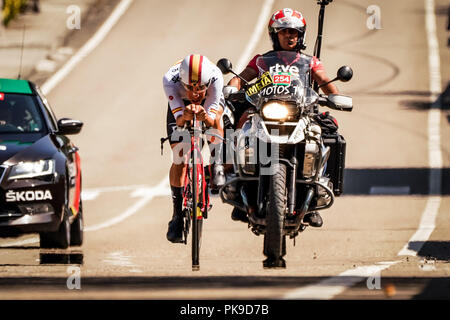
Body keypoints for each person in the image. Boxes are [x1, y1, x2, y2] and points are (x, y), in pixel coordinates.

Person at [227, 8, 339, 228]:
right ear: (274, 35)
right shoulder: (262, 60)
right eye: (284, 31)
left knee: (323, 132)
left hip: (301, 112)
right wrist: (231, 88)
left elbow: (326, 82)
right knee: (242, 121)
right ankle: (236, 177)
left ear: (302, 35)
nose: (290, 36)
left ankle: (316, 192)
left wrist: (334, 97)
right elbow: (241, 79)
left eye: (295, 32)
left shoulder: (310, 62)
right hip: (265, 111)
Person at [163, 54, 226, 243]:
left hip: (209, 104)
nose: (195, 93)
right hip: (182, 106)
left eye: (200, 88)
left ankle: (217, 163)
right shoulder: (170, 80)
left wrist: (204, 115)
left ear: (207, 83)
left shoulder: (215, 78)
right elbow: (179, 119)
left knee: (218, 121)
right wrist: (186, 115)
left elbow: (212, 119)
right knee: (180, 156)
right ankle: (176, 215)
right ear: (181, 82)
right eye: (190, 88)